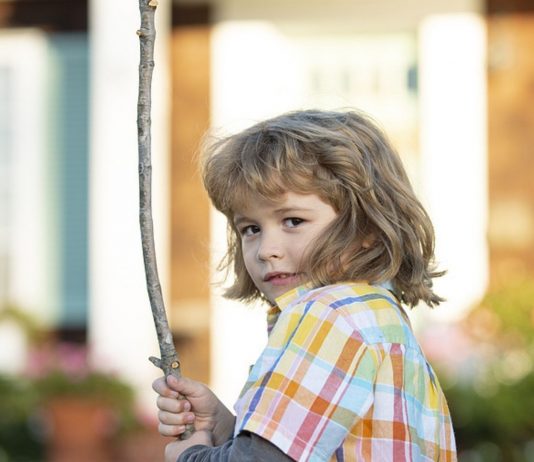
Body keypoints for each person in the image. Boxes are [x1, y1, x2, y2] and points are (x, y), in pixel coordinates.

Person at [153, 109, 457, 461]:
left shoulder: (330, 315)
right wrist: (224, 425)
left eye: (293, 220)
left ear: (367, 229)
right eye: (250, 228)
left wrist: (190, 456)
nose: (267, 250)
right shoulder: (376, 317)